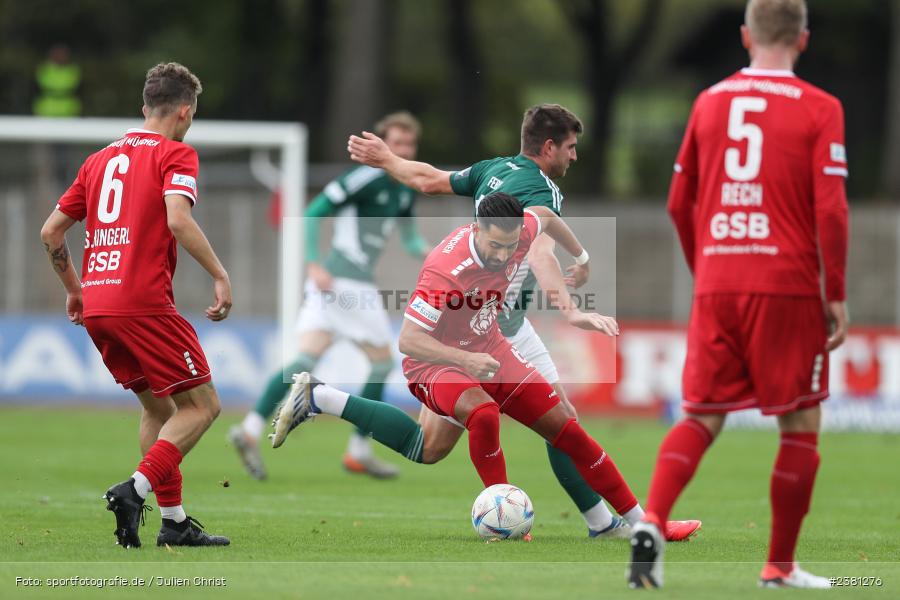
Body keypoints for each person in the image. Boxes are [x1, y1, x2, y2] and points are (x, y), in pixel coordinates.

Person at [346, 104, 700, 541]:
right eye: (571, 147)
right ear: (549, 147)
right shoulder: (542, 191)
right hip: (496, 329)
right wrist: (570, 309)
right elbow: (537, 252)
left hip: (483, 325)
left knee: (548, 424)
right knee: (438, 444)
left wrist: (388, 160)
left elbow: (429, 179)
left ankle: (605, 523)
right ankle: (324, 398)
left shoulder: (493, 170)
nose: (574, 156)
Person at [270, 194, 694, 541]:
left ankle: (641, 523)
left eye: (509, 247)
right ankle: (505, 519)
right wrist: (466, 360)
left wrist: (580, 255)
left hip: (489, 346)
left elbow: (543, 216)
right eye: (494, 245)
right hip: (434, 362)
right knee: (483, 412)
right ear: (475, 228)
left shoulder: (518, 231)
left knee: (563, 429)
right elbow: (409, 341)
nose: (503, 254)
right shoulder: (445, 270)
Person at [627, 0, 849, 589]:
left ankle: (651, 519)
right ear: (802, 39)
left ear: (746, 35)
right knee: (800, 420)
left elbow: (679, 204)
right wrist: (837, 293)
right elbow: (831, 207)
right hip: (788, 285)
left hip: (719, 280)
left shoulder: (709, 101)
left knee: (701, 415)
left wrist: (709, 269)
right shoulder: (822, 108)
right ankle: (778, 564)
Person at [40, 62, 231, 548]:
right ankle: (134, 489)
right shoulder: (175, 153)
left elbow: (51, 231)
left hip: (99, 303)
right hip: (142, 302)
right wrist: (219, 274)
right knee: (203, 406)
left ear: (145, 107)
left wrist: (74, 289)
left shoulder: (98, 160)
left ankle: (174, 523)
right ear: (184, 112)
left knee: (157, 406)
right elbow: (178, 221)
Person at [229, 111, 430, 480]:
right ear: (381, 145)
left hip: (338, 284)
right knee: (383, 362)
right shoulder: (364, 176)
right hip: (343, 281)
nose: (403, 150)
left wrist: (443, 253)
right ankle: (358, 448)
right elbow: (312, 212)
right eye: (396, 143)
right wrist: (313, 263)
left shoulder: (405, 187)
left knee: (303, 362)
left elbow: (411, 239)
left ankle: (249, 429)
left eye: (409, 144)